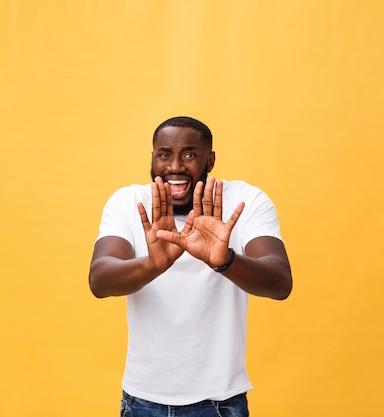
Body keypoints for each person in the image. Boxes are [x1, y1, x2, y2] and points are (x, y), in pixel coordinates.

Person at [89, 116, 292, 416]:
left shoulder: (244, 200)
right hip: (142, 402)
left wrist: (226, 261)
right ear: (153, 158)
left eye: (189, 154)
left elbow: (280, 281)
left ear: (209, 160)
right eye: (164, 154)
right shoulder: (129, 201)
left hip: (221, 402)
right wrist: (152, 265)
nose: (175, 167)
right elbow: (99, 280)